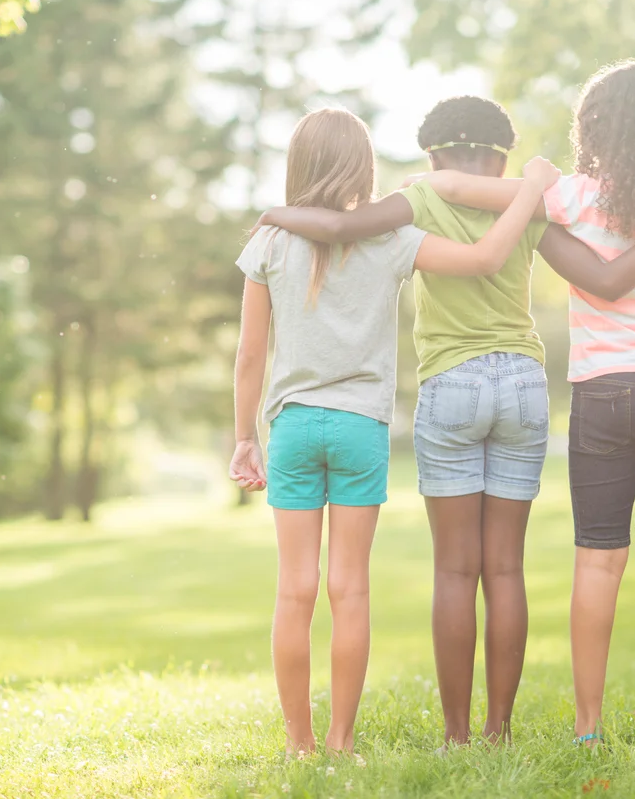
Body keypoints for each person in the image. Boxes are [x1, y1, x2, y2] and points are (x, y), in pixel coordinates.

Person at [256, 96, 635, 746]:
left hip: (452, 383)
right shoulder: (525, 204)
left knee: (454, 570)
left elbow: (336, 226)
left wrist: (277, 213)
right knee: (505, 568)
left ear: (434, 156)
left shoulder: (418, 200)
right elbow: (605, 274)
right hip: (523, 385)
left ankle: (457, 734)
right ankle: (500, 727)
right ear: (500, 156)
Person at [420, 62, 635, 746]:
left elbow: (457, 187)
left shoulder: (570, 198)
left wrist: (461, 178)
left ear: (592, 129)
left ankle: (588, 726)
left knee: (598, 559)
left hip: (606, 391)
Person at [229, 106, 559, 756]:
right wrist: (534, 188)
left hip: (293, 427)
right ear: (364, 168)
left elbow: (249, 354)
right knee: (349, 587)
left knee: (294, 589)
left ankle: (299, 742)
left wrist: (244, 437)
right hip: (360, 429)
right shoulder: (392, 241)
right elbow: (486, 257)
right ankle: (342, 740)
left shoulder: (268, 243)